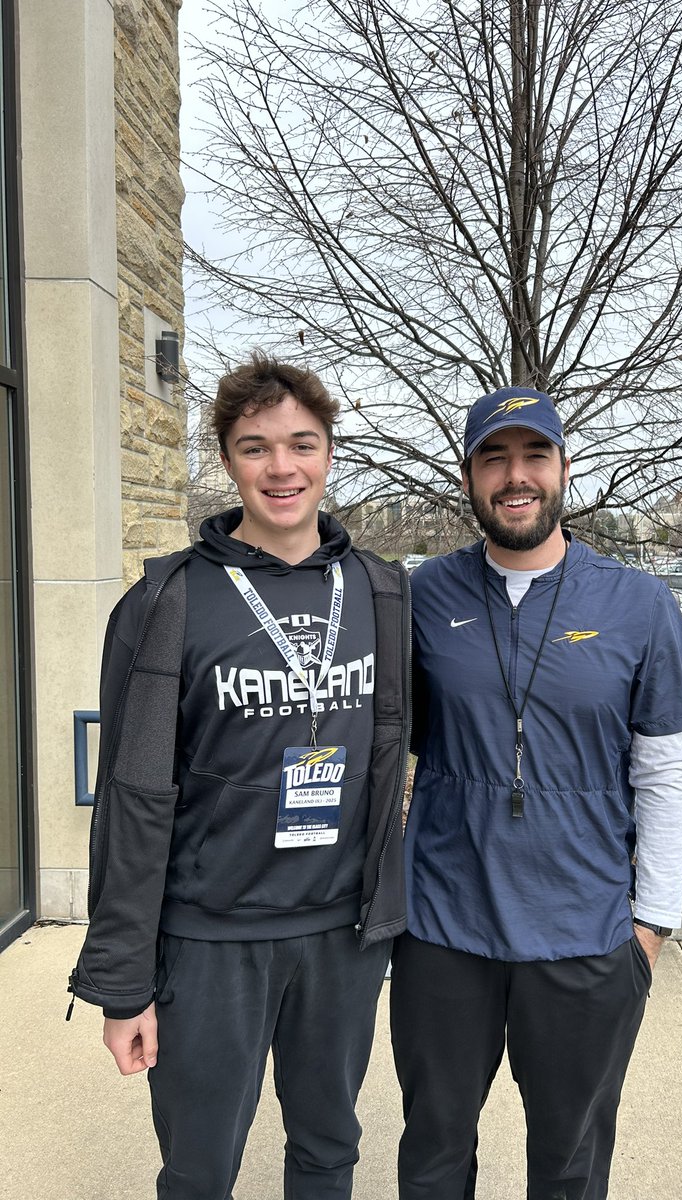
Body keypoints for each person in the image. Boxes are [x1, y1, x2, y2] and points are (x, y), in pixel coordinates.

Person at [69, 352, 411, 1200]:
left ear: (330, 452)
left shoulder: (380, 594)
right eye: (255, 447)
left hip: (341, 937)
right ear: (226, 460)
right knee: (198, 1170)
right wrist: (122, 985)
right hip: (209, 943)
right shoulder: (168, 603)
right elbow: (133, 801)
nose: (282, 468)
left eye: (302, 443)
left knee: (330, 1152)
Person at [391, 386, 682, 1200]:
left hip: (587, 935)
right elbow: (380, 746)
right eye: (494, 457)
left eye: (534, 455)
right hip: (443, 929)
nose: (515, 475)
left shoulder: (639, 604)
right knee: (431, 1155)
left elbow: (665, 773)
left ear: (564, 469)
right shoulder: (421, 597)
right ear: (469, 477)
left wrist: (651, 927)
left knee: (569, 1166)